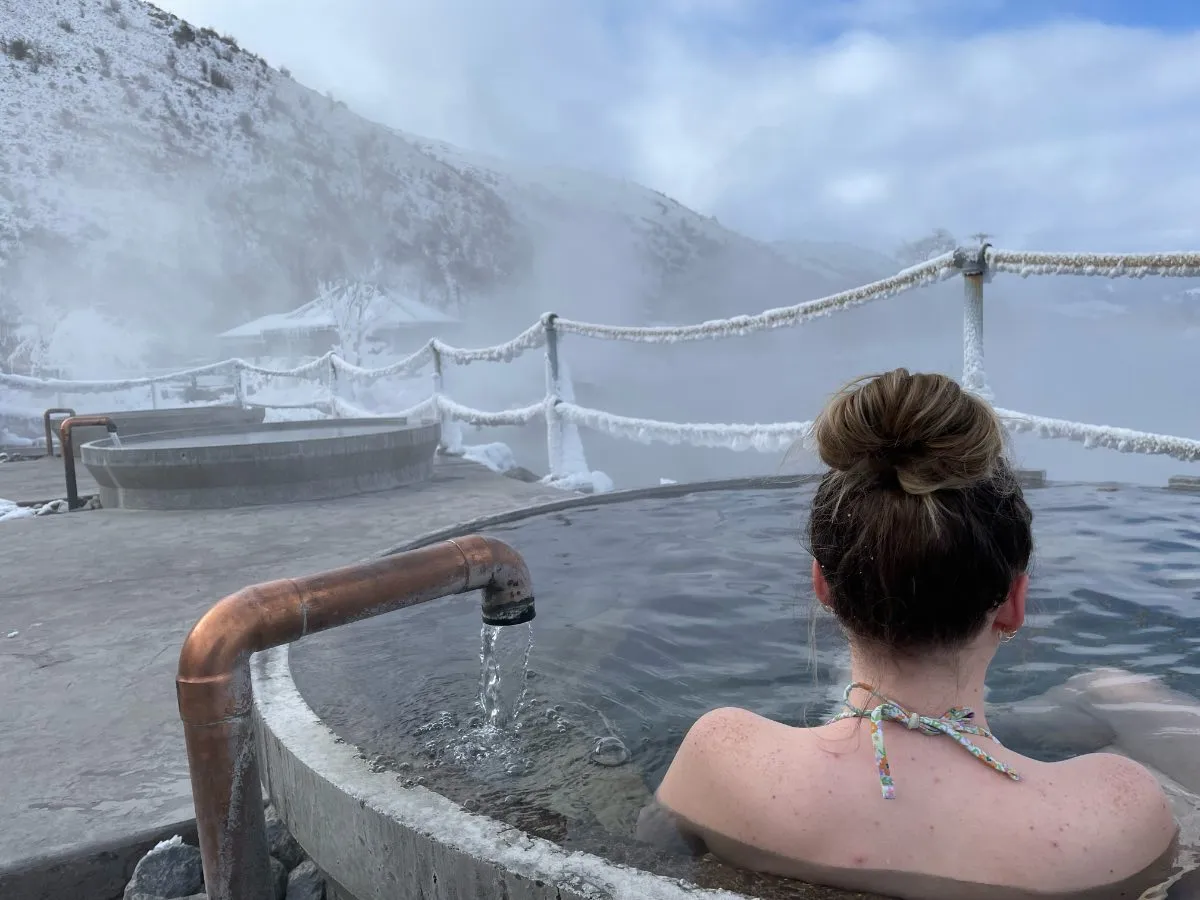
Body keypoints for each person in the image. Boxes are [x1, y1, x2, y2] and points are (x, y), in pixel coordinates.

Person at [637, 368, 1187, 899]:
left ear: (823, 588)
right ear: (1014, 604)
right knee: (1117, 694)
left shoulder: (720, 757)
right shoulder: (1121, 812)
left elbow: (644, 865)